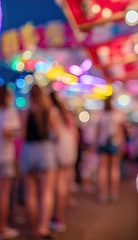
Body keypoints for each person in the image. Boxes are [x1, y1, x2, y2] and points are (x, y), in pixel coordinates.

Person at [20, 85, 58, 239]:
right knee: (47, 192)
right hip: (45, 152)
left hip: (29, 151)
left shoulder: (25, 111)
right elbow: (57, 134)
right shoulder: (49, 111)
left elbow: (22, 134)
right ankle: (43, 227)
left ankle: (33, 227)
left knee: (31, 194)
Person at [49, 92, 78, 233]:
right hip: (69, 146)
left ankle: (58, 217)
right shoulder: (65, 113)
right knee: (64, 181)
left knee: (58, 182)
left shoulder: (53, 112)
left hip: (59, 147)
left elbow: (56, 134)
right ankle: (59, 215)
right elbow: (74, 133)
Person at [0, 85, 21, 239]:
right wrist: (16, 133)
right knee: (3, 195)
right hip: (5, 158)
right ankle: (2, 228)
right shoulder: (9, 112)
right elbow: (7, 131)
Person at [96, 97, 125, 203]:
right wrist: (122, 145)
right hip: (114, 143)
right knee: (114, 169)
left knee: (102, 169)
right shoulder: (118, 115)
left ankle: (103, 194)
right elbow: (120, 132)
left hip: (102, 143)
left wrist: (95, 144)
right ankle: (113, 194)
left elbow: (97, 132)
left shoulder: (101, 115)